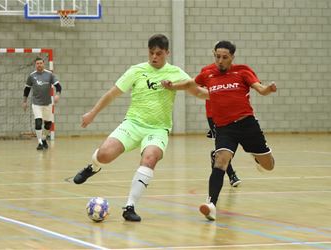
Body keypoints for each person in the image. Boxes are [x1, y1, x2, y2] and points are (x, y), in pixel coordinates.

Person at [72, 34, 206, 222]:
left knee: (150, 158)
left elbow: (199, 92)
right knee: (104, 155)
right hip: (133, 124)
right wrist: (92, 113)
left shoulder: (176, 73)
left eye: (159, 53)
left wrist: (224, 96)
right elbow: (112, 94)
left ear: (167, 52)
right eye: (151, 53)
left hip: (158, 129)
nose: (154, 57)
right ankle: (93, 167)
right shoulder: (136, 71)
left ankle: (129, 206)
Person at [162, 40, 276, 221]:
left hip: (247, 125)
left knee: (268, 166)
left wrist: (268, 89)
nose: (220, 61)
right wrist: (172, 86)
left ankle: (257, 155)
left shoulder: (243, 71)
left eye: (225, 57)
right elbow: (190, 84)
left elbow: (260, 89)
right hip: (224, 128)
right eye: (217, 57)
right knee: (220, 160)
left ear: (232, 57)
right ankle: (211, 204)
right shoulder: (208, 74)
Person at [22, 57, 62, 150]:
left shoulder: (49, 75)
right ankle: (40, 142)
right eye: (37, 63)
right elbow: (27, 89)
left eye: (40, 63)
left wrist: (57, 95)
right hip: (36, 103)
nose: (39, 65)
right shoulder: (32, 76)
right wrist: (24, 101)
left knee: (48, 124)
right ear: (35, 65)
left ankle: (44, 139)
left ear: (43, 64)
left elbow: (58, 86)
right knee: (38, 122)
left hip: (47, 103)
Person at [205, 99, 241, 188]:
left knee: (231, 145)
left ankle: (215, 155)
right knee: (224, 148)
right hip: (213, 116)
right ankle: (232, 175)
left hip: (229, 114)